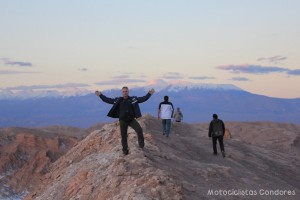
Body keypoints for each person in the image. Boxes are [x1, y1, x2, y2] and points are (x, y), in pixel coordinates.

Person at [95, 86, 155, 155]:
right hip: (123, 121)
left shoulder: (133, 99)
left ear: (128, 92)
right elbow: (108, 100)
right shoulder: (118, 100)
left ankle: (141, 146)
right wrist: (100, 95)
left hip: (131, 120)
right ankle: (125, 151)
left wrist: (149, 94)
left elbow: (143, 99)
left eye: (126, 91)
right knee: (123, 136)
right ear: (122, 92)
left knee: (139, 130)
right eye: (123, 91)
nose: (125, 93)